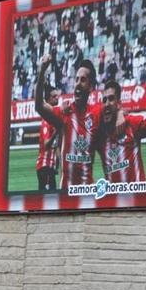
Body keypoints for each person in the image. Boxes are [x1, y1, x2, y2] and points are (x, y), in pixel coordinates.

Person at [35, 53, 102, 189]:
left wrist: (119, 114)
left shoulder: (97, 113)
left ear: (90, 87)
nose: (77, 83)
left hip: (87, 194)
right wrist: (42, 71)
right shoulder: (64, 112)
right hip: (67, 195)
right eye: (76, 79)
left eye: (83, 80)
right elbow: (39, 106)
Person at [35, 87, 62, 192]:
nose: (57, 98)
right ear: (48, 100)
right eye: (54, 96)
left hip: (49, 167)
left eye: (57, 96)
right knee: (47, 199)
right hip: (44, 166)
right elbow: (46, 144)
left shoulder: (54, 118)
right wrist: (56, 132)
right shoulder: (47, 121)